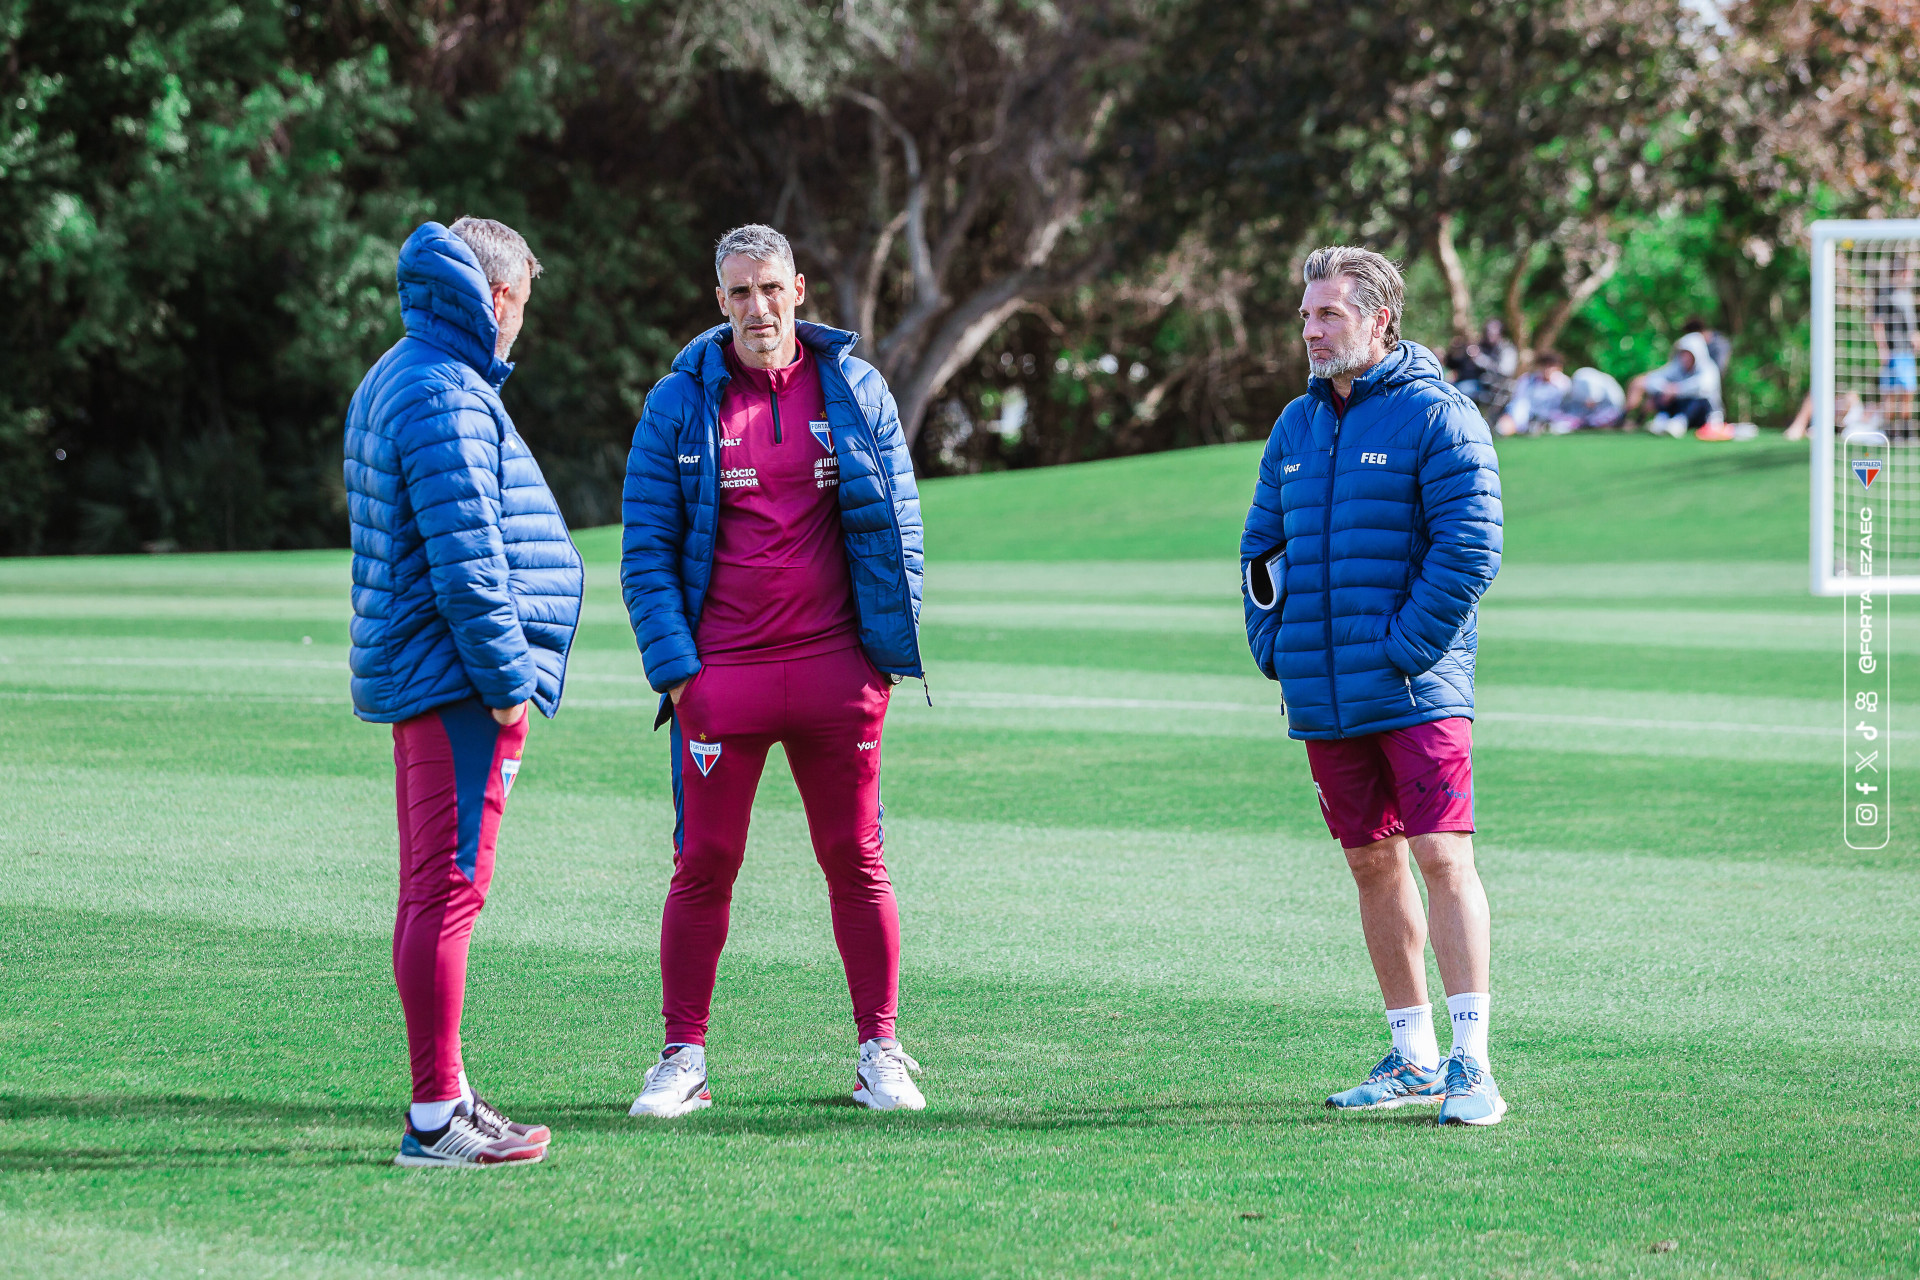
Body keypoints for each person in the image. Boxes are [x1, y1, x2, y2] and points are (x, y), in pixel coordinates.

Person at [621, 224, 927, 1117]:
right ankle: (684, 1059)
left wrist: (886, 660)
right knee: (704, 861)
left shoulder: (854, 387)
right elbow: (645, 548)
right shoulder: (679, 403)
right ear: (719, 302)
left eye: (771, 290)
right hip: (726, 679)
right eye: (739, 293)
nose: (758, 308)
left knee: (856, 859)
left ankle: (881, 1050)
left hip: (839, 673)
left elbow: (900, 524)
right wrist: (680, 674)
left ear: (799, 291)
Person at [1241, 246, 1506, 1126]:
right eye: (1306, 315)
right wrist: (1275, 647)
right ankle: (1414, 1056)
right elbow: (1261, 553)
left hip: (1417, 685)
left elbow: (1471, 549)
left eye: (1330, 315)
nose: (1312, 331)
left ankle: (1472, 1064)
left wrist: (1402, 650)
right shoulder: (1295, 424)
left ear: (1381, 320)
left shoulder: (1441, 415)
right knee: (1371, 863)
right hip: (1323, 690)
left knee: (1441, 857)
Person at [344, 218, 584, 1167]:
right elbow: (467, 562)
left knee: (434, 888)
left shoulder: (408, 370)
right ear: (492, 296)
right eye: (520, 301)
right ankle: (437, 1118)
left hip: (429, 676)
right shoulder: (442, 389)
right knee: (448, 888)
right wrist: (507, 681)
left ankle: (445, 1100)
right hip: (456, 681)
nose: (520, 322)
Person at [1627, 332, 1723, 437]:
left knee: (1697, 399)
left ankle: (1679, 422)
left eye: (1688, 354)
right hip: (1680, 408)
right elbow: (1655, 379)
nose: (1685, 357)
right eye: (1683, 353)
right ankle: (1662, 420)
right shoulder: (1677, 367)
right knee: (1664, 395)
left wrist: (1677, 390)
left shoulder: (1709, 368)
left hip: (1704, 415)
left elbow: (1703, 386)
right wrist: (1666, 388)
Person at [1873, 258, 1919, 434]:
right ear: (1900, 272)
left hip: (1907, 351)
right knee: (1891, 391)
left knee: (1908, 390)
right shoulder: (1885, 294)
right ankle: (1889, 430)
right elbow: (1878, 323)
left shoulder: (1907, 294)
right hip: (1893, 351)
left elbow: (1910, 324)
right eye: (1909, 272)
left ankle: (1905, 430)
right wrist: (1882, 349)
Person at [1494, 350, 1571, 436]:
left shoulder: (1564, 384)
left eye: (1551, 366)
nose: (1547, 369)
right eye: (1545, 365)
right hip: (1526, 416)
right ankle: (1505, 429)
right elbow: (1518, 402)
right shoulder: (1527, 380)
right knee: (1520, 407)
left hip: (1552, 419)